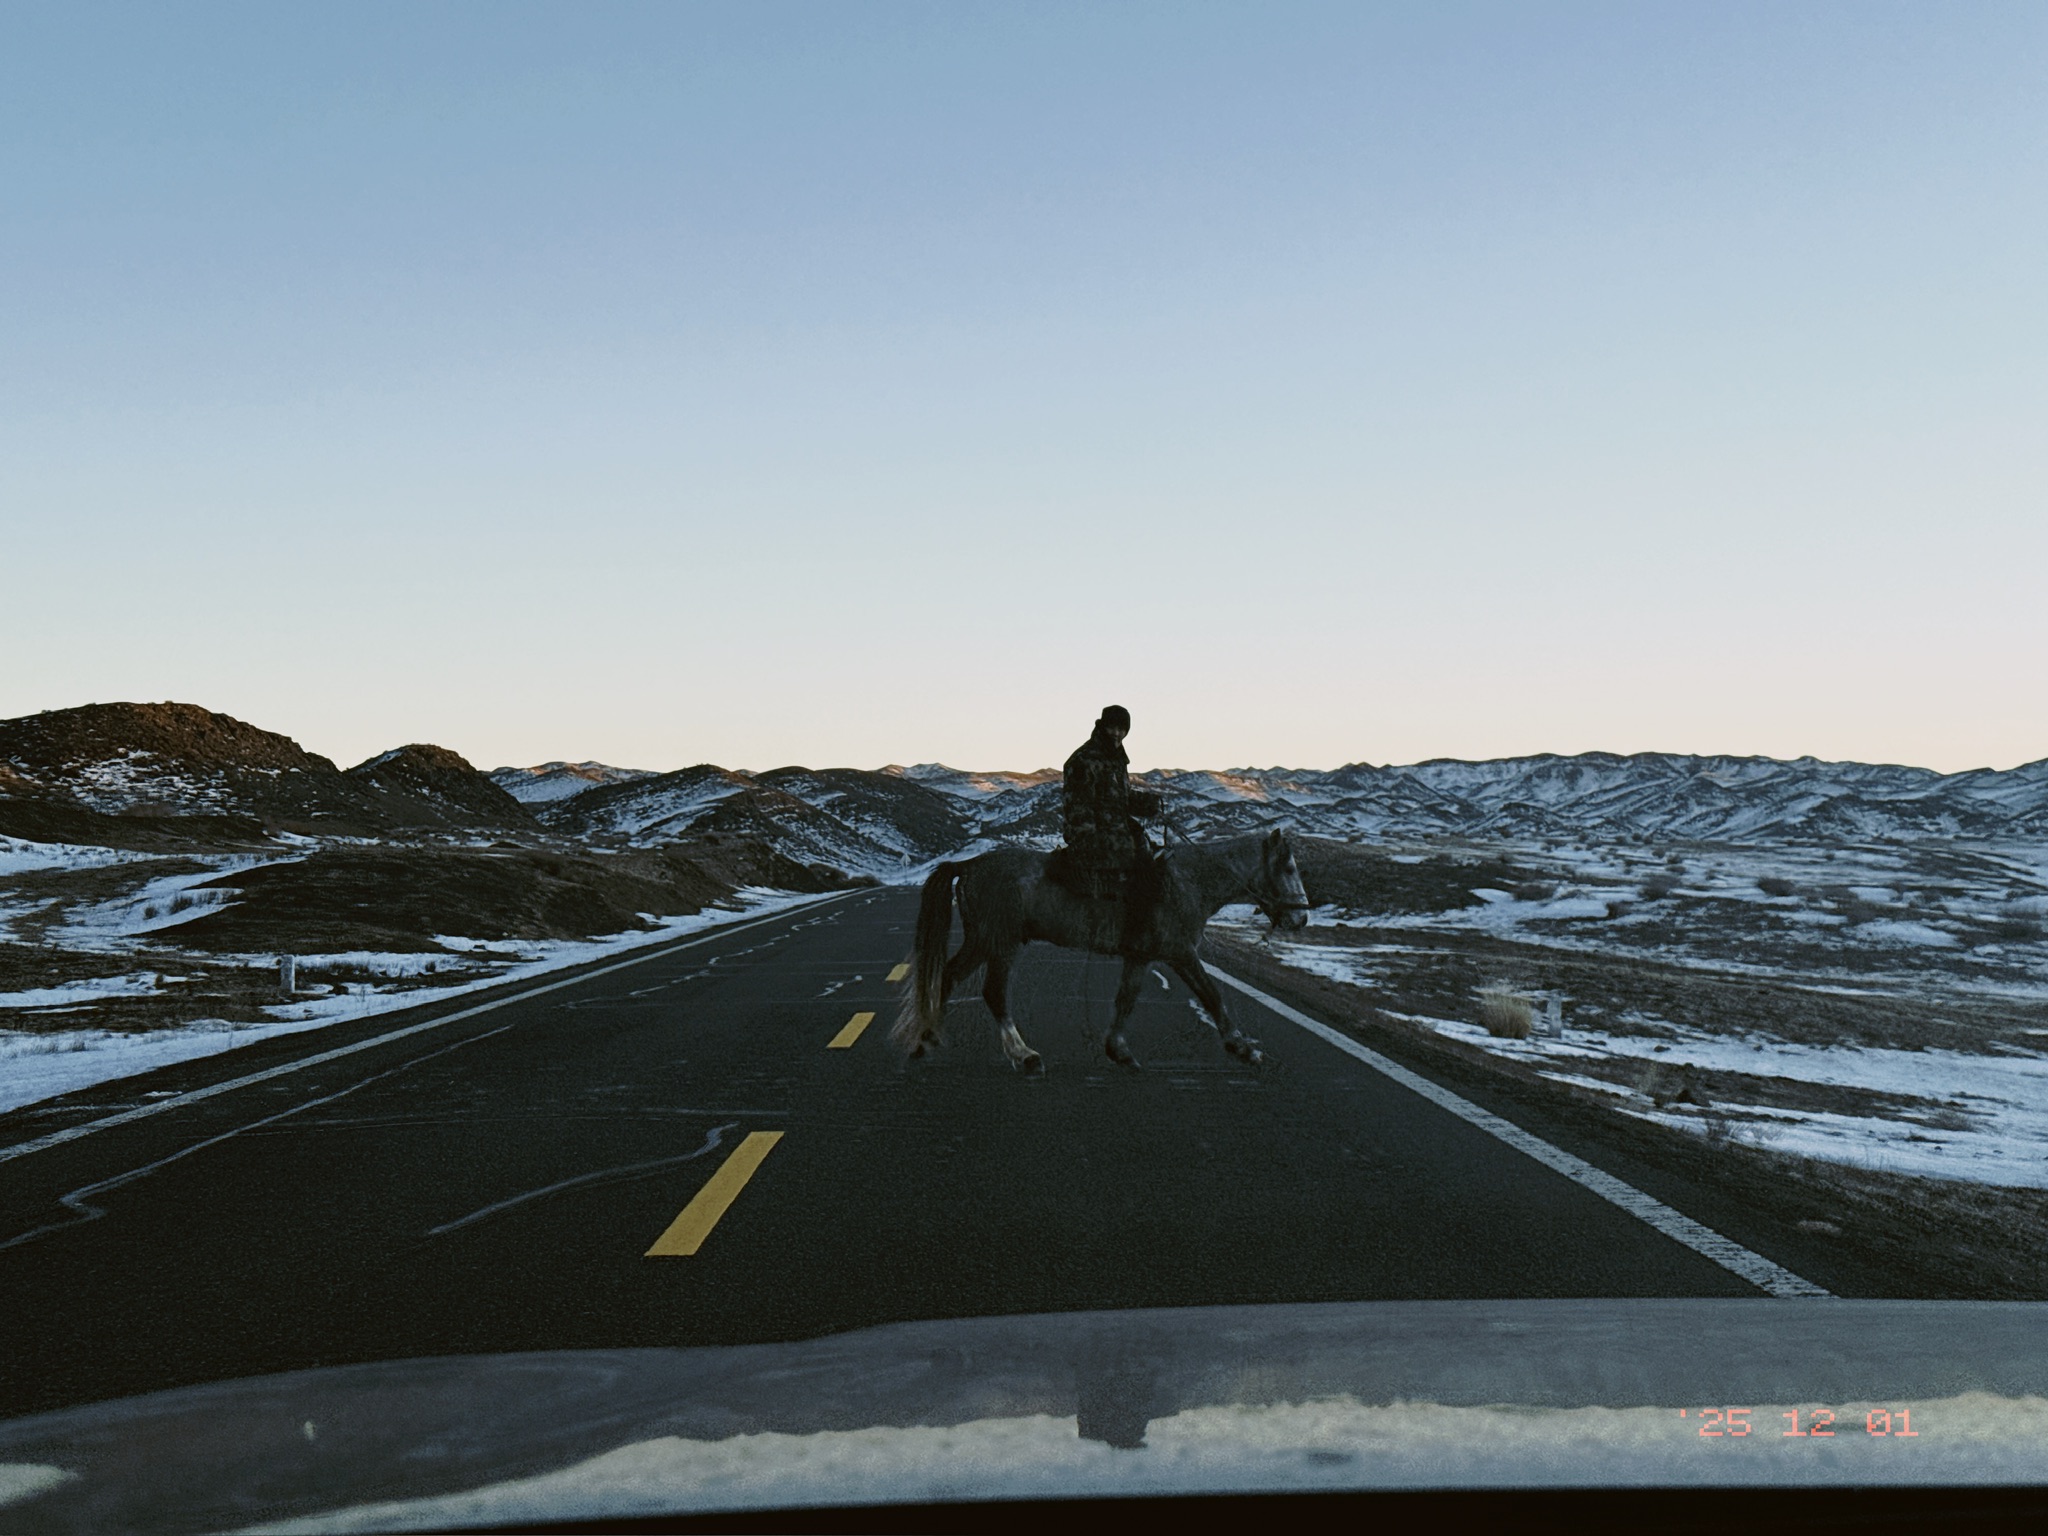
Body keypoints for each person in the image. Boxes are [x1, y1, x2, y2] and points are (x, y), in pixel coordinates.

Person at [1058, 705, 1161, 915]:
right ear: (1102, 726)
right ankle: (1129, 923)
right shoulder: (1084, 759)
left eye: (1122, 729)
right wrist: (1088, 838)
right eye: (1112, 728)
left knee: (1156, 859)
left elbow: (1118, 797)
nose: (1117, 733)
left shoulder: (1116, 759)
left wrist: (1149, 803)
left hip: (1117, 828)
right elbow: (1078, 804)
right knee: (1140, 870)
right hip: (1096, 834)